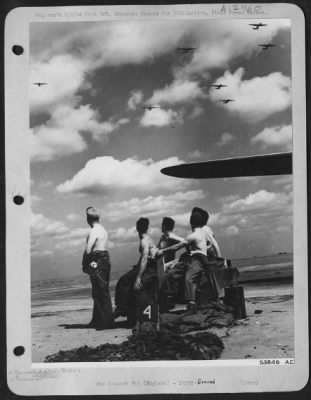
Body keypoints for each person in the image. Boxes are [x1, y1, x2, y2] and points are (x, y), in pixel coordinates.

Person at [159, 211, 210, 313]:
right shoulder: (203, 233)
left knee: (189, 278)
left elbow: (177, 246)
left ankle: (191, 303)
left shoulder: (193, 236)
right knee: (171, 274)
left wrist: (162, 251)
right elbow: (211, 243)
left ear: (191, 223)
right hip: (190, 259)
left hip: (197, 260)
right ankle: (170, 297)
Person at [114, 218, 158, 325]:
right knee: (125, 280)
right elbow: (145, 258)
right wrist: (136, 267)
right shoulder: (148, 238)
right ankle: (123, 308)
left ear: (137, 229)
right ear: (147, 228)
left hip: (149, 268)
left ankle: (121, 308)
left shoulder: (144, 241)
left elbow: (144, 259)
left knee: (124, 281)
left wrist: (138, 277)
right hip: (149, 266)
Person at [82, 207, 114, 329]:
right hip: (104, 258)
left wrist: (84, 263)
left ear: (88, 218)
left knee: (100, 292)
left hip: (97, 259)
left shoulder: (93, 231)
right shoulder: (103, 230)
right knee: (99, 291)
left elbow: (88, 249)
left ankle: (106, 321)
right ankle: (97, 320)